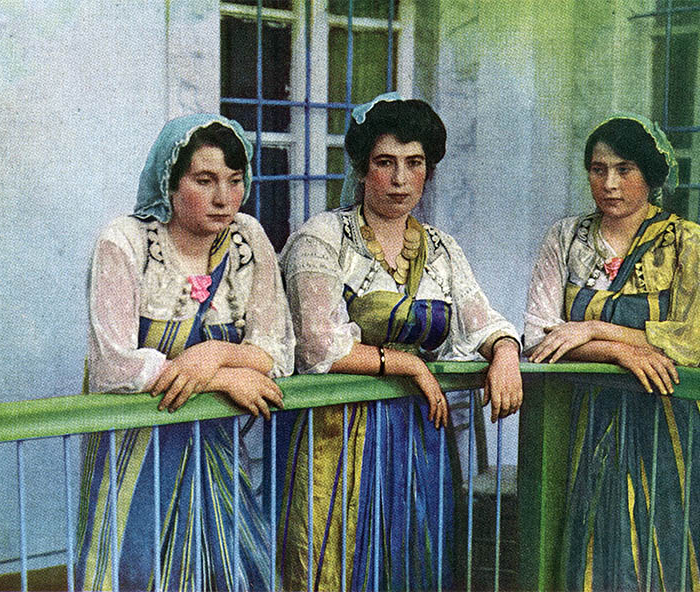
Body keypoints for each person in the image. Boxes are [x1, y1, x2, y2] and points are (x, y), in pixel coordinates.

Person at [278, 92, 523, 591]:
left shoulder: (440, 248)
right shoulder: (323, 238)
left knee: (417, 560)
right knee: (332, 562)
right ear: (361, 168)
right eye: (384, 163)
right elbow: (322, 346)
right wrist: (412, 367)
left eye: (414, 164)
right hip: (339, 427)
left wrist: (504, 353)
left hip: (419, 435)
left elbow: (482, 320)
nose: (399, 179)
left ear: (428, 171)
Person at [76, 114, 295, 591]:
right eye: (205, 180)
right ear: (169, 182)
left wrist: (212, 354)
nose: (224, 198)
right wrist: (221, 379)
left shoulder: (248, 239)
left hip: (216, 447)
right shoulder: (125, 243)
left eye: (235, 182)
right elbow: (112, 365)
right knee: (136, 573)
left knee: (236, 570)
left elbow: (276, 350)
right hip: (138, 450)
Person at [524, 114, 700, 590]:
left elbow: (688, 342)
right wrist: (621, 353)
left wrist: (590, 330)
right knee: (589, 536)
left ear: (650, 174)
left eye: (624, 169)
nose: (609, 183)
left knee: (663, 541)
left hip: (665, 418)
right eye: (597, 168)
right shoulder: (565, 238)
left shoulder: (687, 242)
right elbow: (537, 337)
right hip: (585, 413)